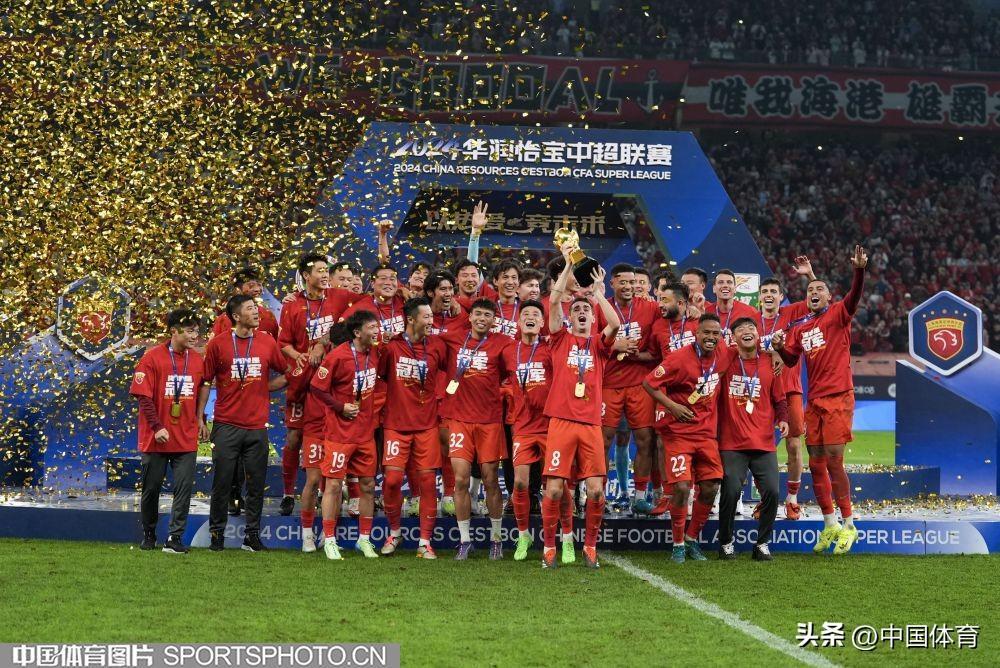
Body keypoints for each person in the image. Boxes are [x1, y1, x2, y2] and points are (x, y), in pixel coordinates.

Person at [772, 245, 868, 555]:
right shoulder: (802, 328)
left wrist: (859, 270)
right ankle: (830, 524)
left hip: (839, 397)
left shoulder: (839, 313)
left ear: (829, 297)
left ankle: (849, 524)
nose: (814, 292)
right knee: (815, 463)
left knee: (834, 459)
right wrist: (779, 346)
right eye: (810, 290)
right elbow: (790, 360)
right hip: (814, 401)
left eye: (820, 290)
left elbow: (854, 296)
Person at [541, 253, 620, 569]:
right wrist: (569, 266)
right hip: (561, 422)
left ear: (593, 317)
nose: (582, 312)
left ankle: (590, 547)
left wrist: (598, 293)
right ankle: (549, 547)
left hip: (590, 424)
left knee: (596, 490)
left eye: (586, 310)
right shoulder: (559, 339)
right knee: (554, 489)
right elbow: (554, 300)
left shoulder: (600, 345)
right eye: (577, 310)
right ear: (569, 318)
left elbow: (615, 324)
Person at [199, 294, 289, 552]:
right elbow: (205, 381)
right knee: (223, 483)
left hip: (257, 427)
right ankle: (217, 535)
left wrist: (263, 388)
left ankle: (252, 537)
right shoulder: (218, 344)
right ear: (236, 316)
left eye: (256, 307)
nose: (256, 312)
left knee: (256, 485)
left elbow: (286, 374)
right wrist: (200, 417)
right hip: (226, 424)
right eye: (250, 309)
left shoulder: (267, 341)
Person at [643, 313, 733, 564]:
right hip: (679, 433)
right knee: (682, 487)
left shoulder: (724, 353)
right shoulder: (679, 358)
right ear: (696, 333)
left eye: (716, 334)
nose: (711, 338)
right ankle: (678, 544)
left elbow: (751, 348)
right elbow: (648, 383)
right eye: (706, 333)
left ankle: (692, 538)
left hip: (706, 435)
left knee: (711, 486)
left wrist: (776, 355)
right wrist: (672, 406)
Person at [277, 253, 355, 517]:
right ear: (305, 276)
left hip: (331, 382)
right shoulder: (292, 305)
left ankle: (326, 491)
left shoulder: (339, 297)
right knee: (294, 437)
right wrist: (298, 355)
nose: (324, 275)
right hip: (302, 380)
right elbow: (283, 343)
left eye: (326, 271)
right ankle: (288, 493)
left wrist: (323, 341)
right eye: (319, 271)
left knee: (329, 436)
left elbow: (369, 300)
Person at [439, 298, 512, 560]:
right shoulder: (451, 338)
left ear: (494, 320)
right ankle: (465, 541)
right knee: (460, 479)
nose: (482, 318)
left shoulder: (503, 343)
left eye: (487, 315)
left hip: (489, 421)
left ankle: (496, 539)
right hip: (459, 419)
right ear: (469, 317)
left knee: (490, 479)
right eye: (478, 314)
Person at [130, 308, 205, 554]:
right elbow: (143, 397)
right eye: (189, 331)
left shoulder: (197, 360)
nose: (194, 336)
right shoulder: (151, 358)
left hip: (185, 436)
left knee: (183, 489)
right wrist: (157, 426)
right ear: (174, 331)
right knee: (151, 489)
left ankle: (174, 538)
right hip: (156, 437)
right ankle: (149, 533)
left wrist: (201, 419)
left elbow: (201, 391)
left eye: (197, 331)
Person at [378, 297, 448, 559]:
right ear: (410, 319)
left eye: (432, 316)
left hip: (427, 426)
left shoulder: (437, 346)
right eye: (426, 317)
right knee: (392, 481)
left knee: (428, 482)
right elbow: (381, 375)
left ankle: (425, 542)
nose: (431, 321)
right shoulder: (391, 347)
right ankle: (395, 532)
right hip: (396, 425)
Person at [309, 309, 381, 560]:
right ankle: (330, 540)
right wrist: (340, 407)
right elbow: (316, 387)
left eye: (377, 327)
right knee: (334, 485)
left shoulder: (376, 353)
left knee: (368, 485)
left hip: (365, 433)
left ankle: (364, 539)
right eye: (372, 328)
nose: (377, 332)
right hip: (339, 434)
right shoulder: (337, 357)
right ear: (357, 332)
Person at [717, 317, 789, 562]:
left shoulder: (770, 362)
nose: (747, 332)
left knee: (772, 491)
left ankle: (762, 544)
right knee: (730, 492)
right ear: (733, 337)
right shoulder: (725, 360)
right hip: (732, 443)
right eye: (741, 329)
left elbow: (780, 398)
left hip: (763, 442)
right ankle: (726, 542)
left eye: (751, 329)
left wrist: (783, 419)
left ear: (759, 336)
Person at [601, 264, 659, 515]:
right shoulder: (601, 307)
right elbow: (589, 342)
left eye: (632, 282)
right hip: (608, 383)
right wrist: (614, 346)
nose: (628, 286)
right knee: (603, 441)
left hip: (640, 384)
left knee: (645, 439)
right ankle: (598, 495)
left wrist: (691, 308)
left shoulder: (650, 307)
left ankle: (640, 497)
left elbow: (673, 315)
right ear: (612, 283)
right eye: (622, 282)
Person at [499, 300, 555, 561]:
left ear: (542, 323)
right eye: (526, 314)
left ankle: (557, 539)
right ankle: (523, 536)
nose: (530, 317)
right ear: (519, 322)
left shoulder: (551, 349)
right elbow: (498, 377)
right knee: (520, 482)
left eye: (535, 314)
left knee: (553, 485)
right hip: (522, 426)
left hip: (550, 425)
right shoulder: (508, 351)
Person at [757, 266, 812, 521]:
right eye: (765, 291)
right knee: (757, 447)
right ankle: (764, 500)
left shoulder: (792, 313)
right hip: (760, 392)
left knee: (793, 444)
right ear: (759, 297)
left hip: (789, 389)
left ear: (781, 297)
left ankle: (792, 498)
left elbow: (819, 300)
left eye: (773, 292)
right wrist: (772, 352)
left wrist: (809, 275)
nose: (769, 295)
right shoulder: (751, 319)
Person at [209, 268, 279, 340]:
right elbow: (213, 346)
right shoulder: (224, 319)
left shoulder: (268, 315)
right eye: (251, 286)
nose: (257, 289)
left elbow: (276, 344)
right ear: (238, 289)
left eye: (259, 285)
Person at [705, 269, 758, 345]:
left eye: (729, 282)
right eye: (720, 282)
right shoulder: (706, 313)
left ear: (735, 288)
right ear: (714, 288)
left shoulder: (750, 312)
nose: (725, 285)